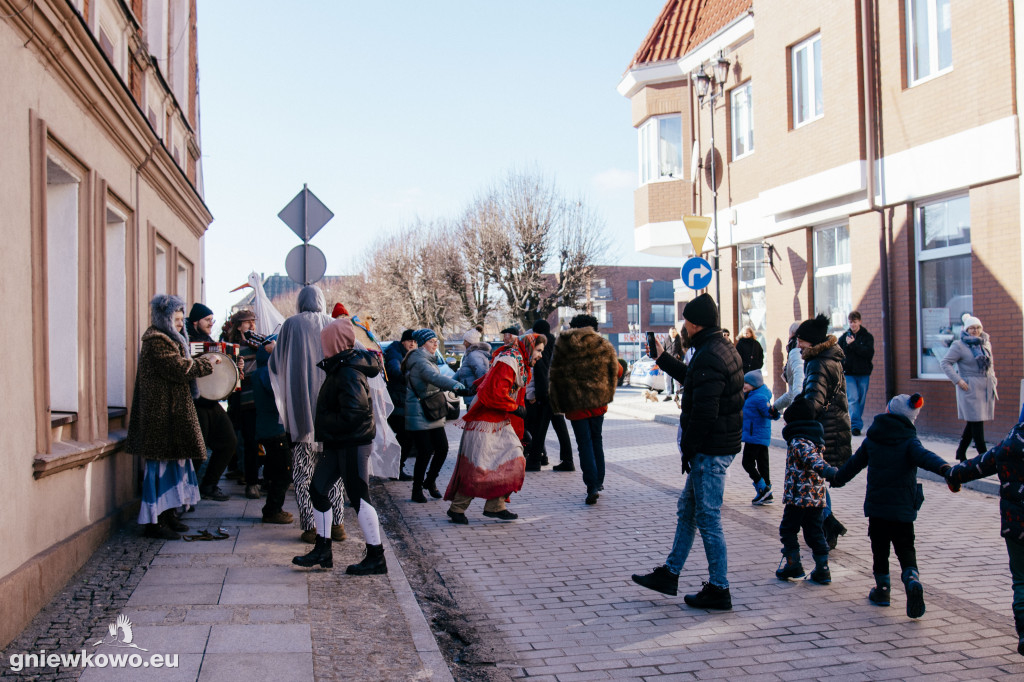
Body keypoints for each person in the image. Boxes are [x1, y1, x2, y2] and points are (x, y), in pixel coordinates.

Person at [631, 293, 744, 610]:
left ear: (695, 324)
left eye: (685, 321)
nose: (683, 326)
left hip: (710, 451)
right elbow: (695, 381)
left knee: (708, 519)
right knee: (688, 511)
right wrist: (662, 358)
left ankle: (719, 589)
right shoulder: (718, 348)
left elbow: (705, 412)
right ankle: (670, 573)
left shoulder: (710, 354)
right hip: (714, 447)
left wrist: (688, 450)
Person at [832, 394, 955, 619]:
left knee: (880, 550)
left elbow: (851, 466)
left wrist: (835, 478)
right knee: (906, 548)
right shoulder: (910, 441)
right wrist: (947, 470)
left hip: (878, 509)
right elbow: (926, 457)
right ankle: (911, 579)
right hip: (903, 509)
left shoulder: (873, 439)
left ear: (888, 411)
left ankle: (883, 591)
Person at [293, 318, 388, 574]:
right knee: (317, 489)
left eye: (324, 341)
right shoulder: (341, 367)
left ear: (334, 343)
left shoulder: (347, 371)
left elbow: (354, 413)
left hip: (352, 443)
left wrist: (325, 423)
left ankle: (376, 556)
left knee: (359, 497)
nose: (321, 346)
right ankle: (323, 550)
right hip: (340, 442)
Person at [128, 295, 218, 539]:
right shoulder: (156, 341)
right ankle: (154, 523)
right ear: (164, 319)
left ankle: (168, 514)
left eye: (181, 319)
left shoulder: (168, 339)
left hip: (171, 415)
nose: (180, 324)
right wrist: (206, 364)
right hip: (160, 417)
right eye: (176, 319)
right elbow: (179, 368)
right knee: (159, 471)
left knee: (174, 467)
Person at [270, 286, 347, 544]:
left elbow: (274, 364)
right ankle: (337, 524)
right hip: (331, 416)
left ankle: (310, 526)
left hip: (302, 415)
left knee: (303, 474)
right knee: (333, 471)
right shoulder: (334, 324)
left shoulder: (290, 325)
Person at [445, 334, 545, 523]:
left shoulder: (517, 360)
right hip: (485, 420)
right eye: (538, 350)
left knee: (509, 459)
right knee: (480, 466)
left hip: (498, 419)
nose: (540, 355)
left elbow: (490, 382)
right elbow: (495, 391)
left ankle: (495, 505)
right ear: (530, 348)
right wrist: (516, 408)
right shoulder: (510, 361)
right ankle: (458, 508)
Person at [946, 422, 1024, 655]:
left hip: (1015, 525)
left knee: (1021, 580)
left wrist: (953, 476)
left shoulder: (1009, 444)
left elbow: (978, 465)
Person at [548, 314, 620, 505]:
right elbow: (619, 370)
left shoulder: (564, 347)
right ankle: (599, 481)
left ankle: (591, 485)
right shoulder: (602, 345)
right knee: (597, 441)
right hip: (598, 403)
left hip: (576, 405)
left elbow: (555, 375)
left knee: (584, 444)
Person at [796, 313, 852, 549]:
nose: (797, 344)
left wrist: (796, 418)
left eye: (801, 340)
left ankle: (827, 524)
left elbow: (814, 402)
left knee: (813, 479)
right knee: (816, 478)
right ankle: (827, 523)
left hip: (823, 428)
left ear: (811, 341)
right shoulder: (829, 358)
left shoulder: (818, 363)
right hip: (832, 425)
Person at [774, 398, 838, 585]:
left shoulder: (799, 441)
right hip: (816, 497)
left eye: (787, 421)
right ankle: (822, 569)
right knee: (814, 532)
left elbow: (813, 460)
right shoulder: (814, 437)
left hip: (799, 497)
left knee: (788, 529)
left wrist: (829, 471)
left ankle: (793, 564)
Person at [403, 328, 472, 503]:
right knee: (425, 451)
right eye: (431, 341)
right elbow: (434, 378)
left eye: (436, 341)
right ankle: (417, 489)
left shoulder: (427, 359)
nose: (435, 344)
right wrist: (457, 386)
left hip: (431, 411)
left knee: (442, 448)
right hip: (419, 412)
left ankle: (430, 481)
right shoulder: (420, 361)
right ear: (422, 344)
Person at [185, 303, 238, 502]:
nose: (210, 324)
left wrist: (235, 366)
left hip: (211, 402)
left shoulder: (210, 341)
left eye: (211, 320)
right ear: (195, 322)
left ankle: (209, 484)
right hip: (196, 402)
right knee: (198, 450)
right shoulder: (188, 343)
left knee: (229, 441)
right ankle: (187, 492)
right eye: (207, 320)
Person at [940, 315, 998, 461]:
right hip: (969, 387)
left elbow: (989, 365)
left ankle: (960, 452)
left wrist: (993, 380)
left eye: (978, 327)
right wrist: (958, 380)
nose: (975, 331)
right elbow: (945, 363)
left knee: (974, 422)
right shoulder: (959, 345)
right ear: (966, 329)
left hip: (985, 387)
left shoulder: (985, 343)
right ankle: (984, 457)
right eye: (971, 328)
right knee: (977, 422)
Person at [251, 339, 294, 524]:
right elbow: (280, 391)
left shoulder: (259, 371)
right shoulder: (267, 373)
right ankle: (272, 510)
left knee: (275, 469)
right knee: (284, 472)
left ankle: (273, 508)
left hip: (267, 428)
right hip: (274, 429)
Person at [525, 319, 574, 471]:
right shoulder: (558, 343)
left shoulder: (542, 345)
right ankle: (568, 460)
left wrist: (537, 394)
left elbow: (540, 370)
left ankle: (535, 461)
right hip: (559, 390)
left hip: (546, 392)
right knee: (559, 425)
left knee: (540, 427)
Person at [222, 309, 261, 499]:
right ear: (239, 326)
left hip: (262, 400)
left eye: (253, 321)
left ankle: (266, 479)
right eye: (247, 322)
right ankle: (251, 482)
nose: (252, 325)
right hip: (245, 402)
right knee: (250, 443)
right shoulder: (232, 348)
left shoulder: (260, 342)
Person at [384, 329, 417, 480]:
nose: (412, 343)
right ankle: (394, 467)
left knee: (405, 435)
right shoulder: (395, 352)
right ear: (403, 341)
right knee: (406, 434)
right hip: (396, 400)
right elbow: (394, 369)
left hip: (401, 399)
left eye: (415, 341)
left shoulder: (405, 353)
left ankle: (394, 467)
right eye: (410, 340)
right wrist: (408, 376)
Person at [741, 370, 776, 505]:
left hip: (755, 436)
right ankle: (767, 492)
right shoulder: (750, 395)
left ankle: (763, 488)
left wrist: (775, 412)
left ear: (754, 384)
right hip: (757, 435)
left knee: (747, 463)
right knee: (762, 464)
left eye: (746, 383)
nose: (744, 385)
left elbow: (770, 413)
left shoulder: (759, 397)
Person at [837, 311, 875, 436]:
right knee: (853, 398)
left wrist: (854, 345)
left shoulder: (867, 337)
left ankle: (856, 422)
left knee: (861, 400)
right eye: (851, 322)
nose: (853, 324)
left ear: (860, 321)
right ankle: (855, 426)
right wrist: (847, 348)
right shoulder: (844, 337)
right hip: (849, 373)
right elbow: (839, 352)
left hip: (863, 373)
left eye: (855, 322)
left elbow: (868, 353)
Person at [770, 322, 804, 417]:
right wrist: (775, 407)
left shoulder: (796, 350)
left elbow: (798, 383)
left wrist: (796, 409)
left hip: (801, 408)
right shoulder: (795, 350)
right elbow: (791, 392)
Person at [454, 328, 491, 408]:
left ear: (470, 342)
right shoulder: (470, 354)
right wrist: (450, 382)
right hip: (471, 394)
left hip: (474, 396)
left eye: (465, 341)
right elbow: (462, 370)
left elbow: (482, 373)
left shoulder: (473, 355)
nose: (464, 343)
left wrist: (474, 389)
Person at [663, 326, 682, 401]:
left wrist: (679, 357)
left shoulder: (679, 340)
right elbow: (663, 350)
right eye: (671, 332)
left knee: (676, 380)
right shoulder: (666, 340)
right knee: (667, 379)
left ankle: (676, 395)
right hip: (667, 361)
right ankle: (668, 395)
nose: (672, 333)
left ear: (676, 332)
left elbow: (681, 350)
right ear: (669, 333)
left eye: (674, 332)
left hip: (675, 361)